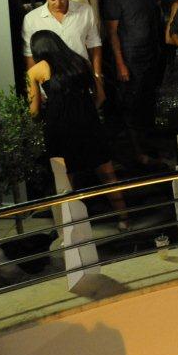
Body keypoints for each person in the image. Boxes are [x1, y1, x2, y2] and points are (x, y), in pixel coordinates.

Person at [27, 30, 128, 228]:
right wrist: (86, 112)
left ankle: (70, 228)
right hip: (88, 124)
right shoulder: (80, 62)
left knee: (65, 181)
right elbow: (101, 97)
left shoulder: (35, 71)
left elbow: (34, 110)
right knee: (108, 174)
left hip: (59, 129)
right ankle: (124, 218)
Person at [102, 0, 164, 168]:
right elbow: (112, 32)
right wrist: (121, 64)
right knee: (132, 106)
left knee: (148, 102)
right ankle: (138, 154)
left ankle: (150, 147)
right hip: (131, 57)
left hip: (152, 53)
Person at [22, 0, 104, 85]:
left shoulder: (85, 11)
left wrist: (97, 76)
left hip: (82, 78)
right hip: (50, 83)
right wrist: (34, 86)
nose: (58, 4)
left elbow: (94, 44)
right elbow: (29, 55)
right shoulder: (31, 19)